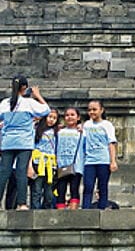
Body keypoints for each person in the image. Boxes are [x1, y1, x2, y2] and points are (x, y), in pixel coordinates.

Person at [0, 75, 51, 210]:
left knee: (3, 172)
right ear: (24, 87)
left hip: (8, 142)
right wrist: (38, 95)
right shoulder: (28, 102)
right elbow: (46, 110)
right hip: (24, 142)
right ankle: (21, 203)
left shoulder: (5, 103)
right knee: (21, 171)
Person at [81, 100, 118, 210]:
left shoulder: (107, 125)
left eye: (94, 109)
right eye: (89, 110)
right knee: (88, 186)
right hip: (89, 161)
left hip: (103, 160)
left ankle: (102, 208)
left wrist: (113, 161)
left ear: (101, 110)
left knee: (102, 187)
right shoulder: (86, 125)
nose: (92, 112)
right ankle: (86, 209)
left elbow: (111, 143)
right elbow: (83, 142)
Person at [54, 107, 83, 210]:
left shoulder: (82, 132)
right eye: (67, 115)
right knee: (60, 189)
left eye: (72, 115)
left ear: (78, 117)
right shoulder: (59, 132)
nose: (69, 117)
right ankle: (60, 211)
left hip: (76, 165)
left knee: (74, 189)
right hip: (61, 164)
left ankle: (73, 211)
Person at [30, 110, 59, 209]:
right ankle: (35, 209)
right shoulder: (36, 129)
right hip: (38, 162)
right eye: (50, 117)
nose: (52, 120)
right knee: (37, 189)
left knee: (49, 191)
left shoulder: (57, 132)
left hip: (51, 164)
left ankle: (46, 209)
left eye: (54, 118)